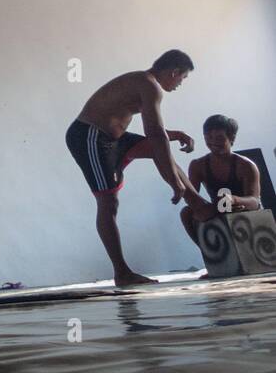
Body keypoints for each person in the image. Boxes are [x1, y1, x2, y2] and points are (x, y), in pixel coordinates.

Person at [65, 49, 213, 286]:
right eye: (182, 78)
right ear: (174, 72)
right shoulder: (149, 85)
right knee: (108, 201)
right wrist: (173, 182)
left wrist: (172, 135)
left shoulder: (144, 83)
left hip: (114, 139)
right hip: (89, 136)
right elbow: (154, 133)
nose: (180, 84)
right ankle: (122, 272)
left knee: (159, 149)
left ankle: (197, 204)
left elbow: (157, 136)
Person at [180, 114, 262, 248]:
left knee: (233, 210)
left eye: (219, 138)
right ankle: (209, 253)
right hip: (217, 208)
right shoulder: (197, 165)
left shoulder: (246, 165)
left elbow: (254, 201)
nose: (213, 142)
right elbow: (191, 198)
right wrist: (202, 209)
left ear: (231, 138)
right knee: (186, 212)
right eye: (208, 138)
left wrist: (235, 200)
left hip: (242, 209)